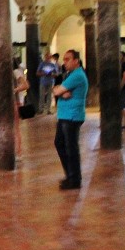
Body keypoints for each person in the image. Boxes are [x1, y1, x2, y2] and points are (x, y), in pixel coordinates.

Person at [52, 49, 89, 190]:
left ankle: (74, 179)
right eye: (64, 59)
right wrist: (60, 91)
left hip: (72, 116)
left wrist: (59, 91)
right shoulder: (70, 75)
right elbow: (56, 89)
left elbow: (57, 91)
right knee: (60, 143)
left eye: (68, 59)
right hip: (65, 115)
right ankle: (70, 175)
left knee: (70, 147)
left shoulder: (77, 75)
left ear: (76, 61)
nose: (64, 62)